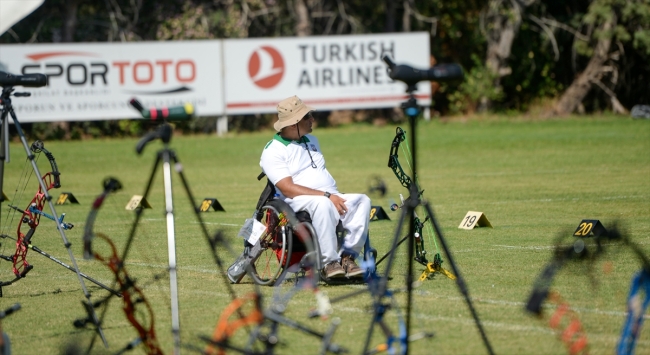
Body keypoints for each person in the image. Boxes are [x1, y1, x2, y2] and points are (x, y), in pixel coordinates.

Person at [260, 95, 370, 279]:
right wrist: (327, 195)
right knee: (322, 204)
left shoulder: (312, 140)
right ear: (293, 122)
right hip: (294, 202)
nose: (312, 119)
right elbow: (287, 188)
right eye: (307, 116)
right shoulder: (273, 150)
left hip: (328, 196)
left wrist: (330, 195)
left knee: (362, 201)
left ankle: (347, 257)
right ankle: (329, 263)